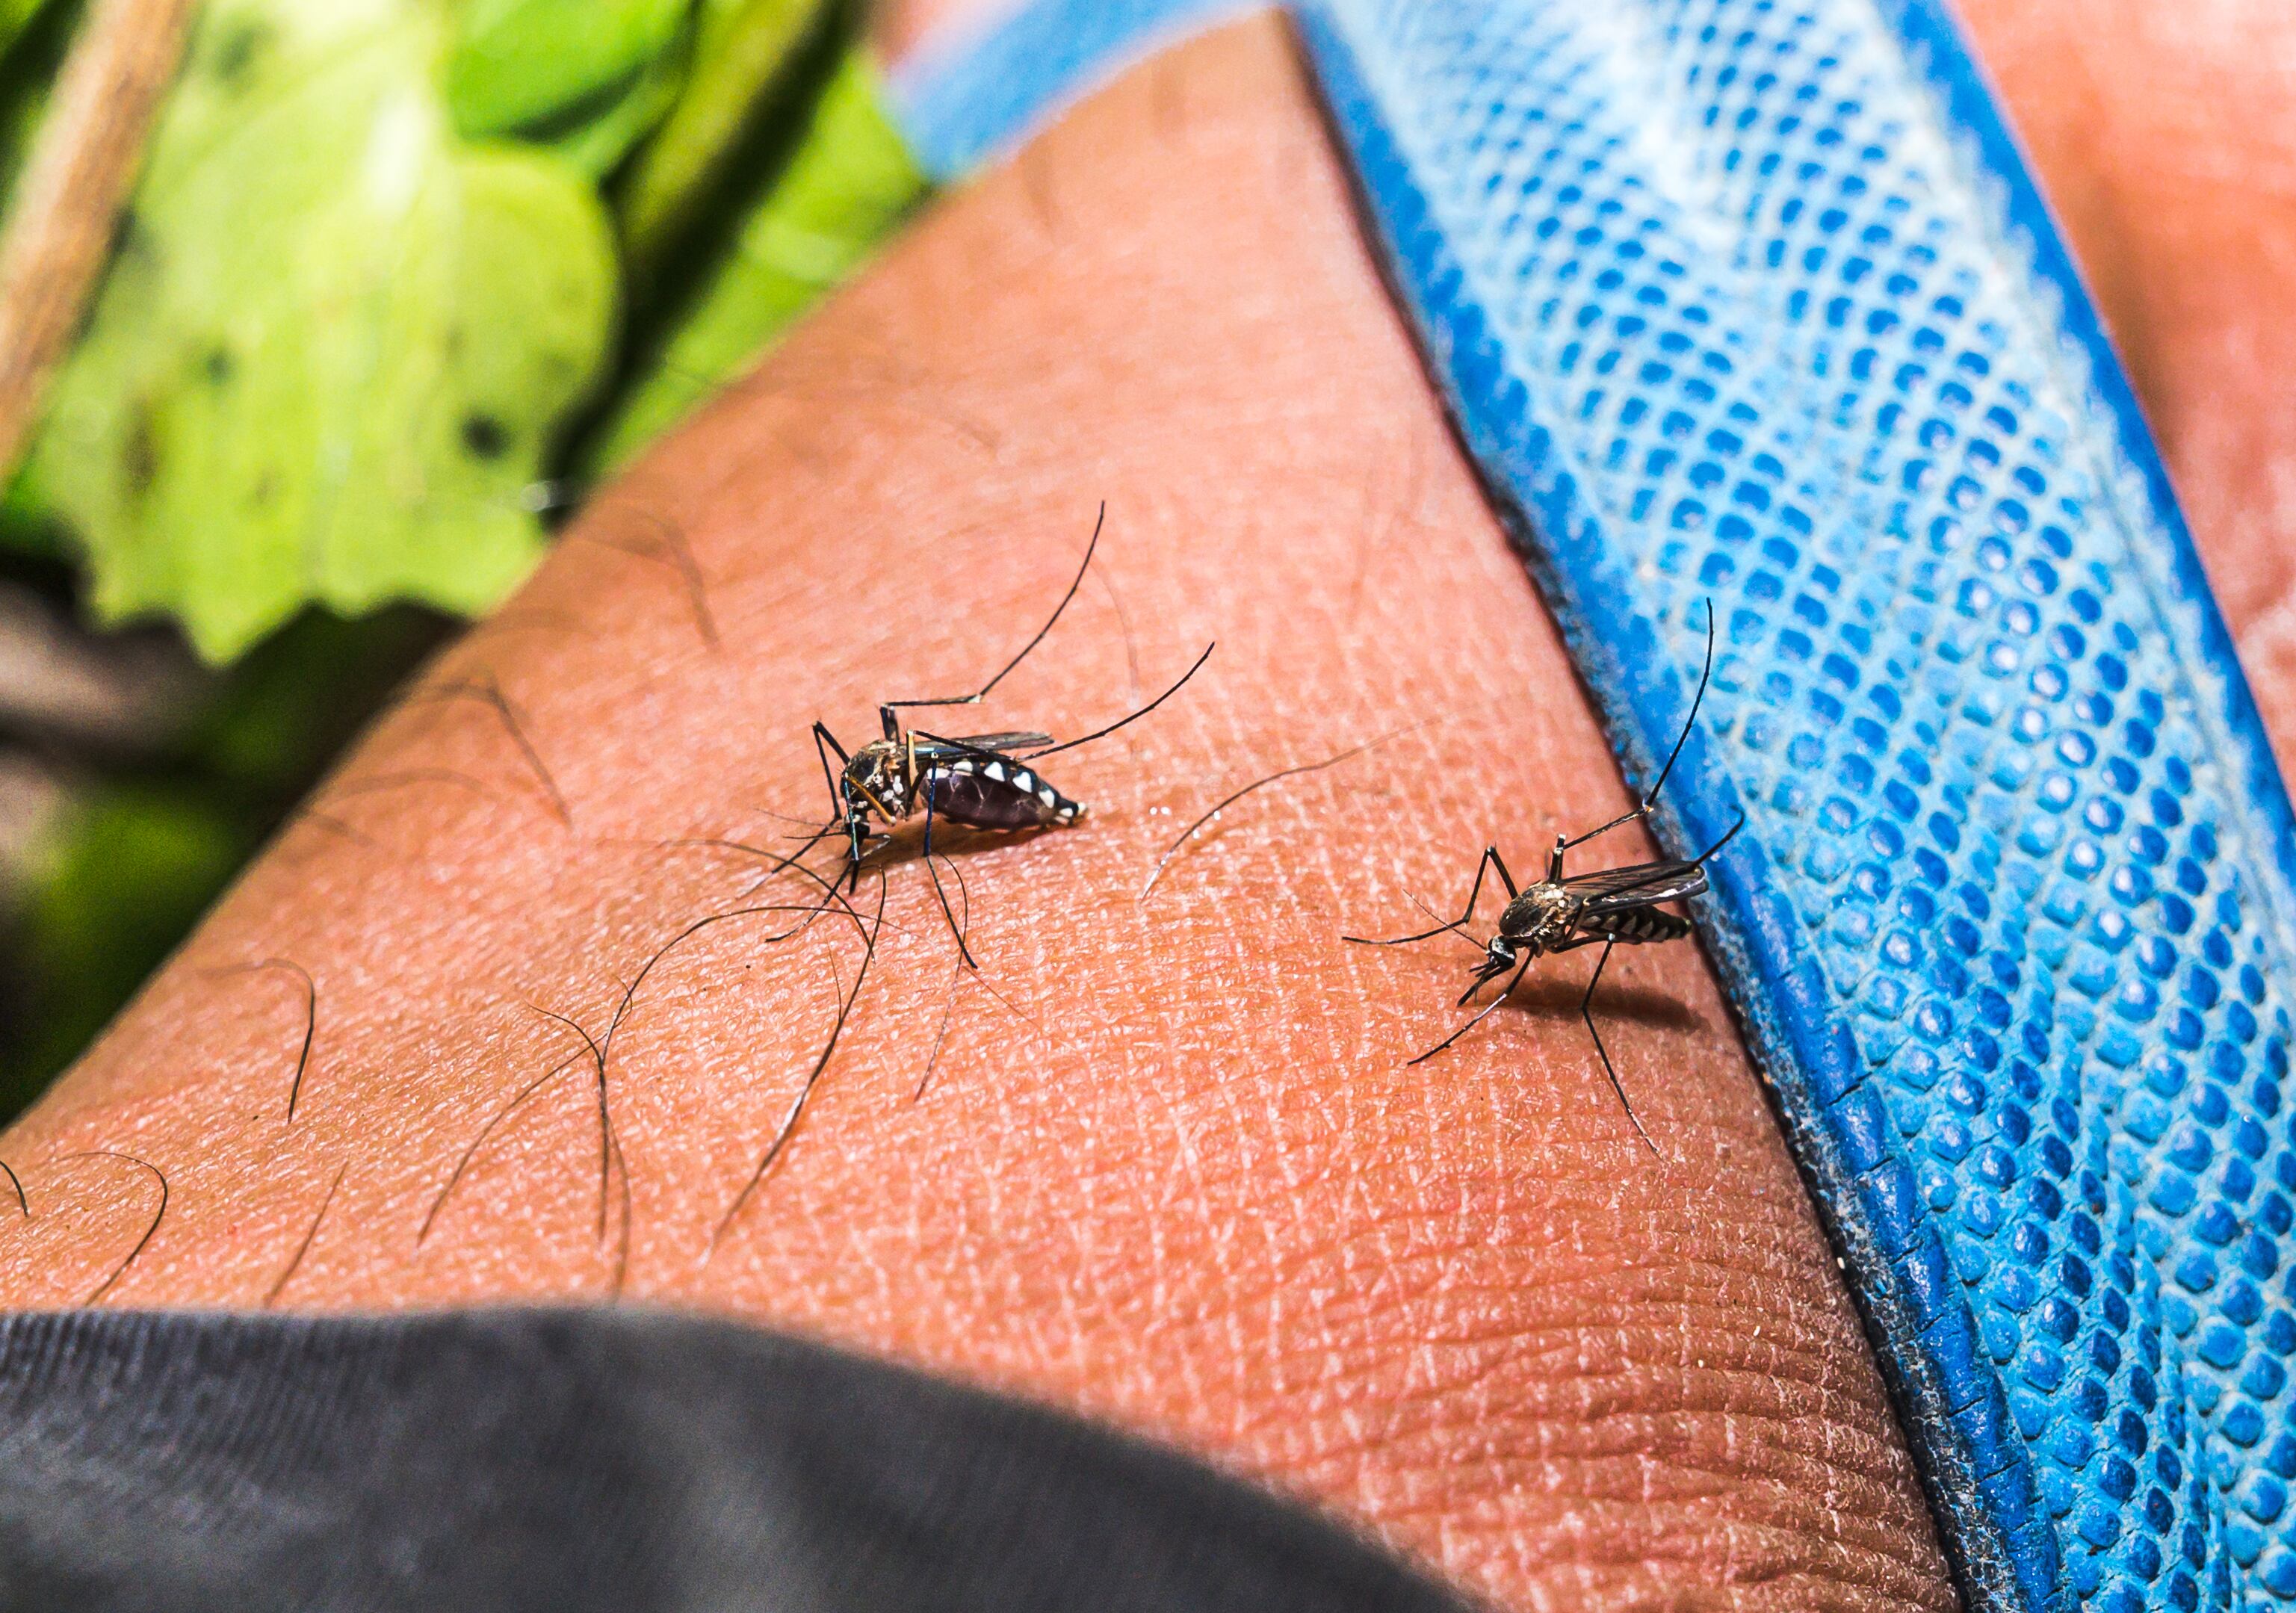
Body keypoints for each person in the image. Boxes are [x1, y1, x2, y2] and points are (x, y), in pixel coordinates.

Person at [4, 1, 2290, 1607]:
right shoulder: (931, 818)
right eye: (882, 817)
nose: (875, 816)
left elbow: (936, 778)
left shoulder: (966, 801)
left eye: (878, 813)